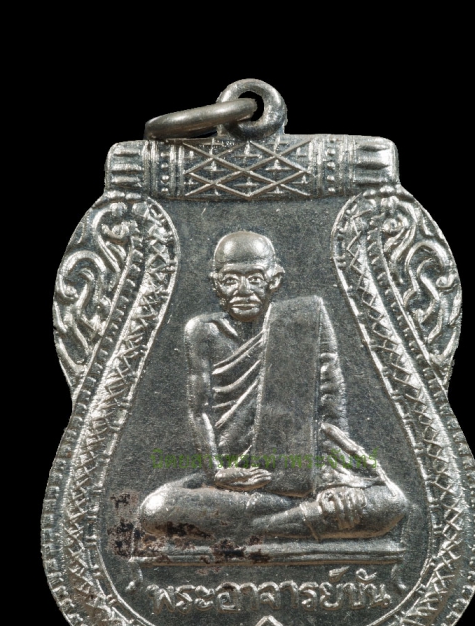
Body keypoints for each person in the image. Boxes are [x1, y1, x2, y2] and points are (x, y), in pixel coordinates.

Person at [140, 231, 407, 542]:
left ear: (274, 280)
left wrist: (336, 481)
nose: (243, 290)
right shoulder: (202, 331)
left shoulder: (305, 321)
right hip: (231, 484)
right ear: (216, 284)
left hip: (302, 477)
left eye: (254, 279)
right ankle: (289, 521)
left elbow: (331, 407)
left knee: (391, 503)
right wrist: (217, 473)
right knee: (156, 509)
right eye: (230, 280)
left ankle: (254, 527)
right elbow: (200, 409)